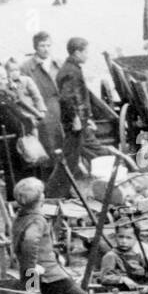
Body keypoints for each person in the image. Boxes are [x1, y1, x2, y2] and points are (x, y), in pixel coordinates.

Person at [12, 178, 118, 294]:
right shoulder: (37, 220)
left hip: (42, 273)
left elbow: (23, 246)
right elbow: (29, 243)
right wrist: (33, 281)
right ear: (40, 199)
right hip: (47, 276)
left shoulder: (21, 217)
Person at [55, 37, 92, 198]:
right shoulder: (71, 71)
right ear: (77, 52)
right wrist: (76, 118)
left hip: (76, 119)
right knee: (70, 158)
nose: (88, 55)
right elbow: (66, 97)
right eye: (86, 52)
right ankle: (56, 192)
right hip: (73, 122)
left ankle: (62, 191)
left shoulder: (71, 68)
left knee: (72, 157)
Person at [21, 32, 63, 165]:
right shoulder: (26, 67)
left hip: (61, 106)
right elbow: (24, 94)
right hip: (43, 110)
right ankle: (52, 171)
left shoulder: (58, 63)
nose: (46, 49)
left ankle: (70, 169)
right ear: (35, 47)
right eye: (42, 46)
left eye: (48, 45)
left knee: (65, 140)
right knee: (49, 143)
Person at [98, 220, 148, 288]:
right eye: (121, 237)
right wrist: (122, 279)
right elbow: (104, 277)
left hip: (145, 288)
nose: (124, 241)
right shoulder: (111, 256)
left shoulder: (137, 255)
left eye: (129, 238)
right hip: (128, 292)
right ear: (116, 237)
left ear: (135, 239)